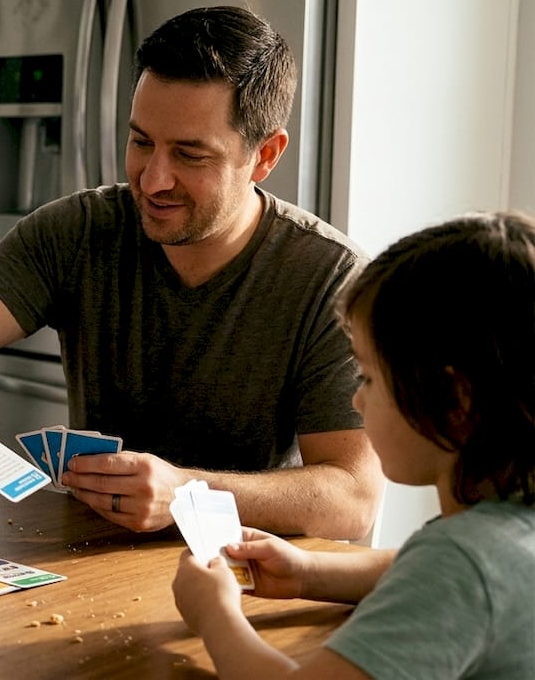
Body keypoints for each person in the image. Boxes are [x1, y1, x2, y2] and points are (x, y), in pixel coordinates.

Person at [0, 5, 382, 539]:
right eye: (140, 142)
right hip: (87, 558)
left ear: (265, 156)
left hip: (246, 579)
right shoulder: (79, 230)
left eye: (190, 155)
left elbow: (353, 499)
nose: (153, 179)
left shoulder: (331, 279)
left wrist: (187, 491)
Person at [172, 211, 535, 679]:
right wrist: (305, 572)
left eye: (368, 377)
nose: (356, 400)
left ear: (455, 400)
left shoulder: (461, 562)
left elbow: (444, 576)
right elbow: (413, 571)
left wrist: (214, 615)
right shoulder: (504, 527)